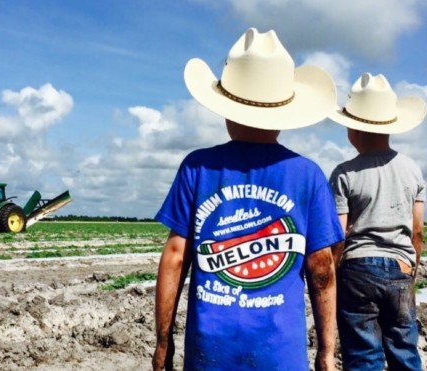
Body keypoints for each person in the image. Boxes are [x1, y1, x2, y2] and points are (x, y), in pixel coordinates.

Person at [152, 28, 344, 371]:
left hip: (210, 349)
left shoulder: (197, 166)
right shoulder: (307, 174)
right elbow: (322, 270)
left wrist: (163, 340)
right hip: (280, 350)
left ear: (226, 110)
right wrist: (326, 352)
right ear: (284, 114)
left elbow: (175, 257)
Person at [329, 72, 427, 370]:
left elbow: (338, 235)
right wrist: (411, 270)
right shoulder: (412, 169)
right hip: (400, 265)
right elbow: (418, 230)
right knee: (404, 347)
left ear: (352, 129)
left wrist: (331, 275)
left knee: (362, 354)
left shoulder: (344, 173)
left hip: (357, 267)